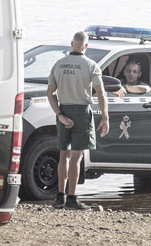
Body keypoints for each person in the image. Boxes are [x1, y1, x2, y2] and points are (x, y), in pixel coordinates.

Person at [46, 31, 110, 209]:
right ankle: (72, 198)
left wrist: (60, 115)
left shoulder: (58, 64)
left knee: (63, 155)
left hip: (63, 112)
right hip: (81, 113)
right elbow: (101, 93)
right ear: (86, 46)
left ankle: (60, 197)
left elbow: (50, 92)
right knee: (76, 157)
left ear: (71, 44)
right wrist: (105, 117)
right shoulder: (91, 65)